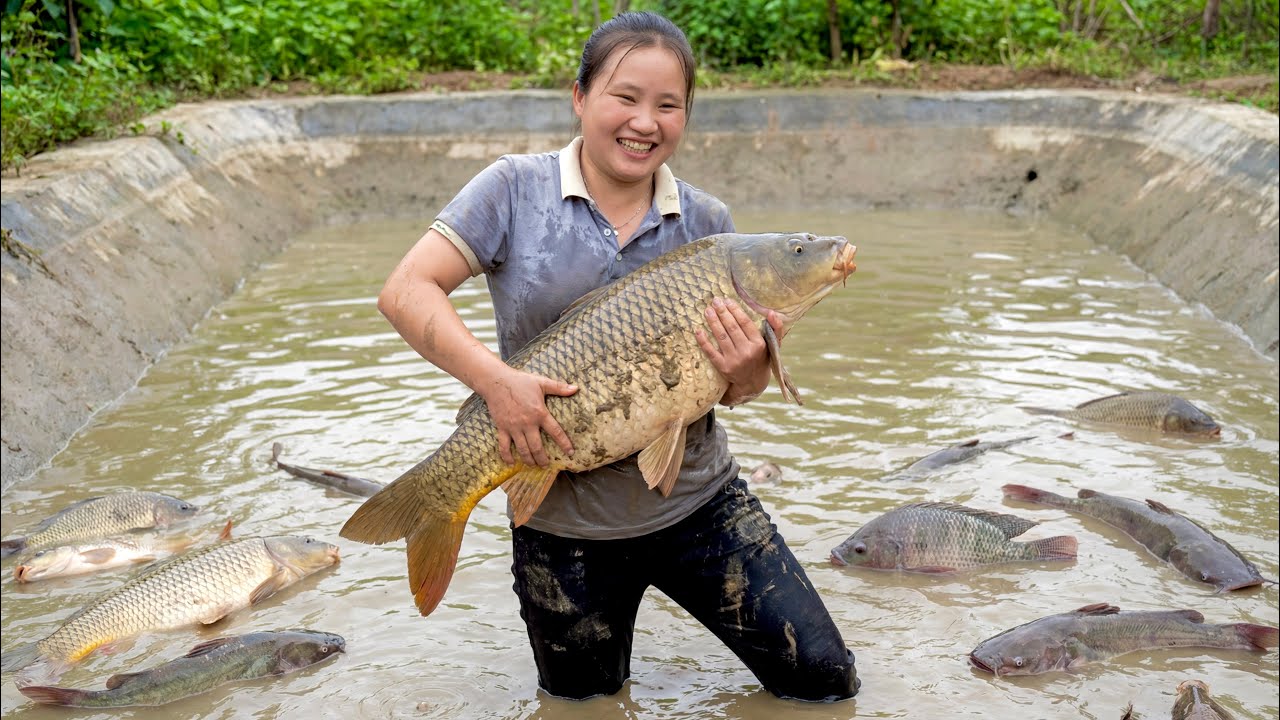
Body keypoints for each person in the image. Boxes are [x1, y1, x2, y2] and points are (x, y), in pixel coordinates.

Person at [376, 11, 859, 703]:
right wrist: (497, 382)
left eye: (669, 105)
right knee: (582, 706)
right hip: (561, 524)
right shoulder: (513, 188)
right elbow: (404, 292)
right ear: (580, 97)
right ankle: (436, 504)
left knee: (824, 679)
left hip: (698, 503)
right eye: (625, 97)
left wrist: (748, 369)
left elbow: (736, 388)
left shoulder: (710, 226)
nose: (645, 121)